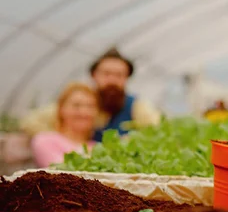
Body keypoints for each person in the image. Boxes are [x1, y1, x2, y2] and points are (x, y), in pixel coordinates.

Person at [21, 47, 161, 142]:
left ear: (126, 78)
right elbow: (31, 122)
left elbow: (156, 132)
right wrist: (63, 141)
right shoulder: (82, 102)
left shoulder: (136, 106)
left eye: (119, 75)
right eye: (106, 74)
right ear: (94, 75)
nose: (112, 80)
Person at [31, 82, 98, 168]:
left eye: (90, 106)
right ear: (61, 109)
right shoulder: (45, 140)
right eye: (76, 105)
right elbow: (60, 171)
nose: (84, 112)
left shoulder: (97, 147)